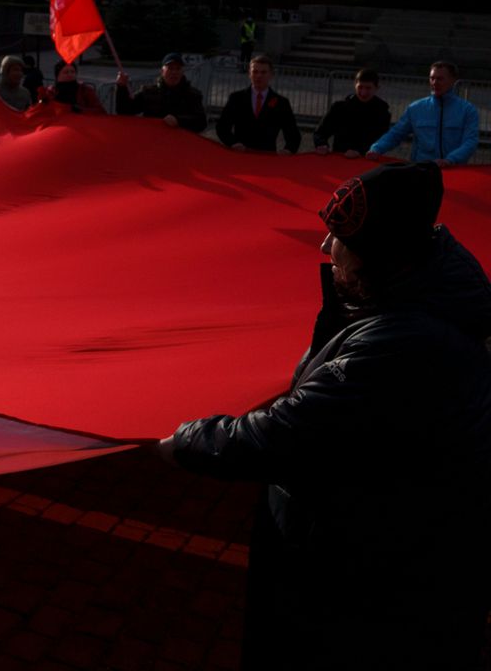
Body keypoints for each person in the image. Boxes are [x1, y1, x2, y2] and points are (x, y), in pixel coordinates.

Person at [161, 163, 491, 667]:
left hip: (366, 593)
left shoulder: (404, 342)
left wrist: (185, 440)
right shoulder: (424, 297)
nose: (323, 248)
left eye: (339, 241)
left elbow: (285, 435)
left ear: (381, 262)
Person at [370, 61, 479, 167]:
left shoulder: (467, 110)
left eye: (440, 79)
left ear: (452, 81)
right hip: (422, 171)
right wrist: (376, 149)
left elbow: (470, 141)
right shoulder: (415, 108)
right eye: (432, 78)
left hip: (454, 170)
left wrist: (450, 160)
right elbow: (396, 133)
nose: (435, 83)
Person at [216, 54, 301, 154]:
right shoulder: (236, 98)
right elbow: (222, 127)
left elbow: (293, 134)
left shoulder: (281, 103)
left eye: (263, 72)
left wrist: (288, 150)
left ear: (271, 75)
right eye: (255, 72)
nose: (259, 76)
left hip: (266, 159)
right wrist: (233, 143)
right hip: (240, 156)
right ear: (249, 74)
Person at [113, 53, 208, 133]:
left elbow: (201, 122)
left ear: (182, 72)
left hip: (181, 145)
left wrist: (179, 121)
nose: (174, 72)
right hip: (154, 142)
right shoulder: (148, 92)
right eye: (170, 68)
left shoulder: (192, 95)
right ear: (162, 71)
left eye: (178, 69)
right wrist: (121, 87)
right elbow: (124, 110)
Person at [315, 67, 392, 157]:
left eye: (368, 88)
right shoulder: (339, 108)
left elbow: (382, 140)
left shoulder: (382, 112)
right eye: (360, 87)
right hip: (340, 158)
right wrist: (321, 144)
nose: (363, 92)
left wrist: (359, 151)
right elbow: (320, 132)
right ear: (355, 85)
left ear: (377, 88)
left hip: (367, 160)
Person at [35, 59, 105, 114]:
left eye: (72, 72)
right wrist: (43, 101)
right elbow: (39, 109)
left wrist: (81, 110)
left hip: (79, 126)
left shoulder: (85, 90)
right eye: (66, 72)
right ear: (57, 76)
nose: (70, 74)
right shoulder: (50, 91)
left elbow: (100, 111)